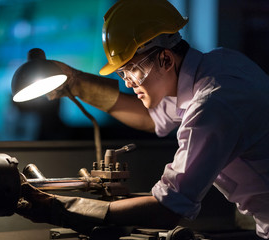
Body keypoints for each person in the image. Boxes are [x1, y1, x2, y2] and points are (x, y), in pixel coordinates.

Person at [15, 0, 269, 238]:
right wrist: (78, 82)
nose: (126, 82)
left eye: (130, 70)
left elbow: (169, 208)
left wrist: (59, 206)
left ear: (165, 58)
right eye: (121, 73)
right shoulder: (218, 63)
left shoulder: (212, 106)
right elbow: (150, 117)